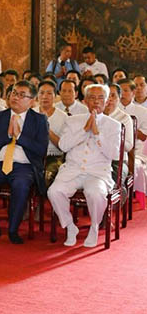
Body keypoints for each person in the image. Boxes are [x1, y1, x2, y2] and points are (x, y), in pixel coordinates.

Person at [0, 81, 49, 244]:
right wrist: (8, 136)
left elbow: (41, 149)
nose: (16, 97)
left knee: (21, 185)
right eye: (14, 93)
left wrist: (20, 136)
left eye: (22, 95)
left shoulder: (39, 120)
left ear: (32, 100)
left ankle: (13, 230)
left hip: (24, 165)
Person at [47, 84, 121, 247]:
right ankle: (70, 226)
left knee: (95, 193)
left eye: (100, 97)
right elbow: (64, 146)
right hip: (73, 170)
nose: (96, 101)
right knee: (54, 191)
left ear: (107, 101)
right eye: (92, 98)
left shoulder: (113, 125)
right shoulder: (73, 120)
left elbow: (114, 155)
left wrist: (96, 133)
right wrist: (84, 130)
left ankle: (94, 227)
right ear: (85, 101)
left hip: (97, 172)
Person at [35, 80, 68, 185]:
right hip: (32, 155)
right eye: (42, 93)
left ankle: (43, 201)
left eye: (49, 93)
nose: (45, 96)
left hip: (54, 156)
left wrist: (47, 130)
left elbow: (63, 147)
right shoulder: (31, 113)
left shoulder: (63, 117)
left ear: (55, 96)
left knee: (46, 176)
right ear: (37, 95)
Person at [104, 84, 134, 181]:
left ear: (119, 98)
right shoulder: (96, 115)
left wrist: (111, 137)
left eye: (113, 95)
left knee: (112, 180)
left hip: (118, 161)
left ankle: (120, 194)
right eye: (107, 95)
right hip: (96, 159)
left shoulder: (124, 118)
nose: (109, 99)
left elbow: (128, 146)